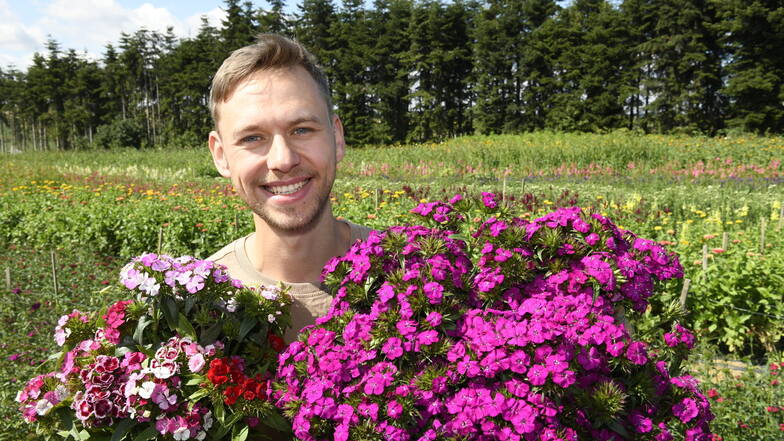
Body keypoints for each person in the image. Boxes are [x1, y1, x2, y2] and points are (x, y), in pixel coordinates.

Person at [206, 33, 372, 343]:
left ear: (336, 138)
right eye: (252, 138)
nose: (283, 160)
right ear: (221, 155)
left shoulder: (412, 272)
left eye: (301, 130)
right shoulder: (196, 305)